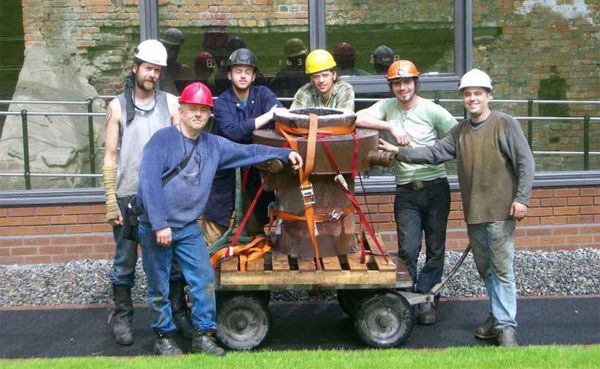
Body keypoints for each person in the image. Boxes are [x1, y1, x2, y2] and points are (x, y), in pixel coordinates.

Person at [136, 82, 302, 356]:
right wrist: (159, 224)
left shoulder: (213, 146)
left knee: (203, 280)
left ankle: (203, 335)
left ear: (210, 114)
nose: (198, 114)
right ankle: (164, 336)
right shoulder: (161, 141)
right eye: (193, 109)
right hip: (158, 228)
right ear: (182, 109)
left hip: (188, 228)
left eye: (204, 110)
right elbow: (148, 183)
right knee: (159, 285)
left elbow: (248, 152)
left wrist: (284, 153)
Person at [379, 68, 535, 346]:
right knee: (486, 269)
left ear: (488, 95)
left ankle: (507, 326)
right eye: (467, 94)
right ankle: (496, 317)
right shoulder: (460, 132)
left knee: (501, 269)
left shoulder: (504, 123)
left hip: (501, 211)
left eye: (477, 93)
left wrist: (521, 198)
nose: (472, 98)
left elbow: (526, 162)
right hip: (475, 212)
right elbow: (433, 153)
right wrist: (398, 152)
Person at [102, 39, 194, 346]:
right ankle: (123, 315)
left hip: (164, 196)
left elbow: (185, 146)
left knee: (171, 259)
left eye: (157, 70)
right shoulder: (117, 106)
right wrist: (109, 201)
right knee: (125, 260)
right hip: (128, 196)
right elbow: (110, 157)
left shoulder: (171, 103)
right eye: (148, 68)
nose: (152, 74)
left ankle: (178, 313)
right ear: (135, 68)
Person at [355, 60, 457, 325]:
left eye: (407, 82)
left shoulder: (433, 110)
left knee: (435, 249)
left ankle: (426, 298)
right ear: (392, 87)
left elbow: (458, 136)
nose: (402, 87)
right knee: (408, 249)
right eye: (397, 83)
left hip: (436, 187)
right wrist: (390, 127)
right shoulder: (388, 108)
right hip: (406, 192)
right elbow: (357, 117)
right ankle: (406, 298)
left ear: (416, 83)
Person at [201, 48, 283, 244]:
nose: (243, 76)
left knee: (254, 230)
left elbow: (280, 115)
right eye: (238, 71)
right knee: (214, 231)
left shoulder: (263, 94)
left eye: (248, 71)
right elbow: (232, 132)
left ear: (254, 76)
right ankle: (210, 271)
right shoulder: (222, 103)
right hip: (225, 174)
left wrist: (269, 118)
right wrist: (265, 117)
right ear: (229, 74)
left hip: (254, 173)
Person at [290, 49, 354, 111]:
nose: (321, 80)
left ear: (334, 75)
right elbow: (294, 118)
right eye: (316, 76)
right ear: (311, 79)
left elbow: (344, 119)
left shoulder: (344, 89)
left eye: (325, 75)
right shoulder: (304, 92)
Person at [158, 28, 196, 95]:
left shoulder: (185, 71)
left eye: (175, 49)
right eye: (168, 47)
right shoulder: (156, 69)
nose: (172, 53)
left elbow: (192, 95)